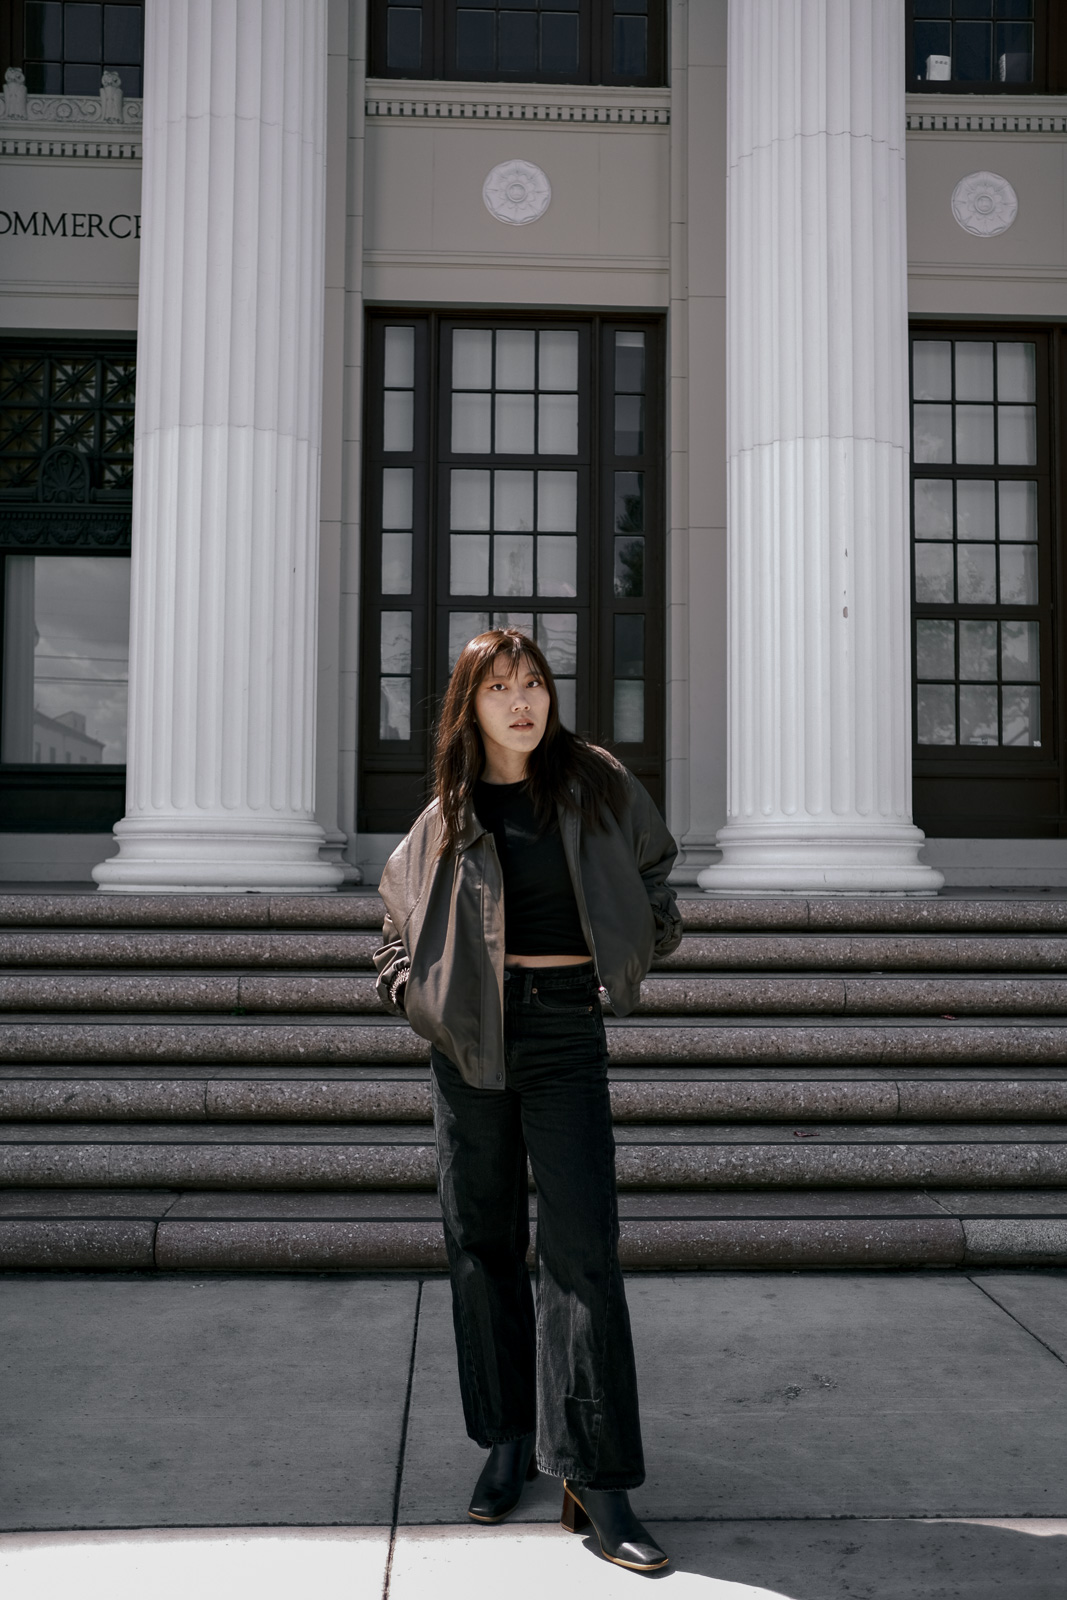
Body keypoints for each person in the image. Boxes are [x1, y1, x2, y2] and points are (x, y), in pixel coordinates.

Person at [374, 628, 682, 1573]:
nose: (522, 701)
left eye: (535, 683)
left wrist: (640, 942)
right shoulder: (448, 813)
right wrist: (409, 991)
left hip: (562, 1030)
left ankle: (600, 1479)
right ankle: (507, 1440)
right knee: (483, 1243)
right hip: (470, 1037)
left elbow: (655, 872)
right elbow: (395, 921)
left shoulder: (594, 785)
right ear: (469, 707)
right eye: (500, 687)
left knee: (582, 1249)